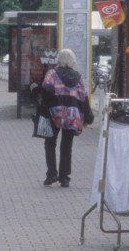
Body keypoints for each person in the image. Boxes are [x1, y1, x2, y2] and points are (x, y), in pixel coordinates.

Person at [37, 48, 93, 188]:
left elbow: (46, 89)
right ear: (72, 60)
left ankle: (51, 174)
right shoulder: (78, 76)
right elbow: (83, 97)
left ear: (59, 60)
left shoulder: (52, 73)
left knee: (50, 142)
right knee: (67, 146)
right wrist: (88, 117)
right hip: (72, 115)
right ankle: (65, 177)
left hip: (54, 113)